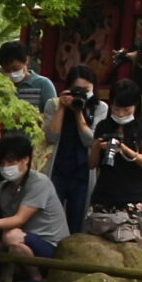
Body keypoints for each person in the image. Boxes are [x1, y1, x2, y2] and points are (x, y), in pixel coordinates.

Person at [0, 131, 67, 265]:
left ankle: (36, 279)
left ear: (26, 159)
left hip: (50, 245)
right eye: (2, 162)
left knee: (11, 236)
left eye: (11, 161)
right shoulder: (1, 188)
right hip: (22, 242)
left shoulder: (39, 182)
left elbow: (19, 219)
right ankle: (11, 273)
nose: (6, 167)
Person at [88, 80, 142, 239]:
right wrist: (98, 147)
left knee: (131, 244)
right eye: (116, 108)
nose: (120, 114)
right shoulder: (103, 126)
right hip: (104, 194)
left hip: (132, 196)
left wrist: (125, 150)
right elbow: (91, 164)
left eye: (126, 110)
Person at [48, 69, 103, 233]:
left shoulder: (100, 108)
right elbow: (51, 136)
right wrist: (62, 108)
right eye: (77, 90)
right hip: (58, 168)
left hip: (82, 171)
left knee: (77, 218)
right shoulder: (53, 104)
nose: (82, 94)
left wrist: (79, 112)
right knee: (53, 215)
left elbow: (90, 140)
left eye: (86, 90)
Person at [0, 41, 55, 118]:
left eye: (15, 68)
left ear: (26, 60)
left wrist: (25, 117)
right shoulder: (0, 87)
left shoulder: (43, 84)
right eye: (7, 70)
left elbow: (53, 115)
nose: (12, 73)